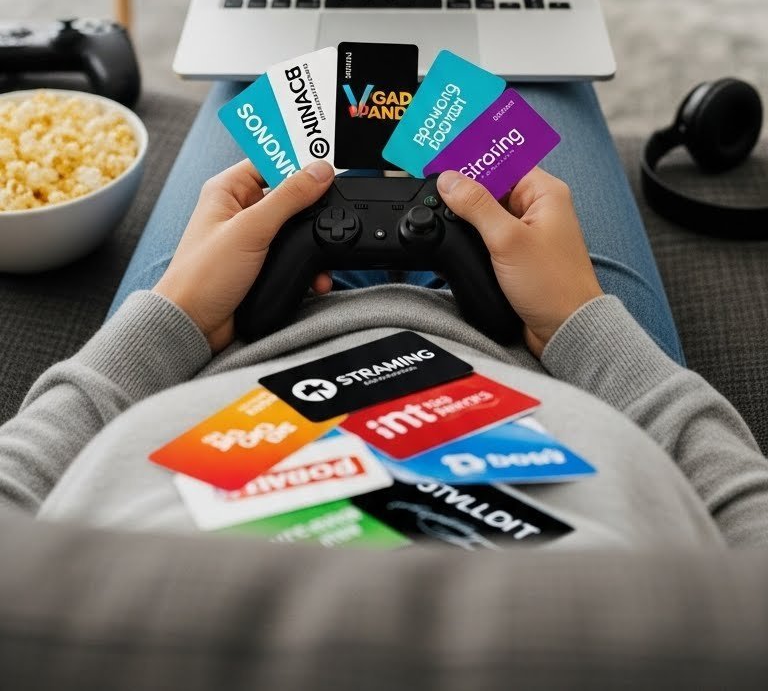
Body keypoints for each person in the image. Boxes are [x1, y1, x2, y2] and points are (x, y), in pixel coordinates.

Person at [3, 78, 768, 555]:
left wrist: (171, 320)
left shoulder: (65, 628)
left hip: (215, 338)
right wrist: (583, 326)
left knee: (266, 75)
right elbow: (745, 512)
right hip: (550, 348)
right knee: (536, 85)